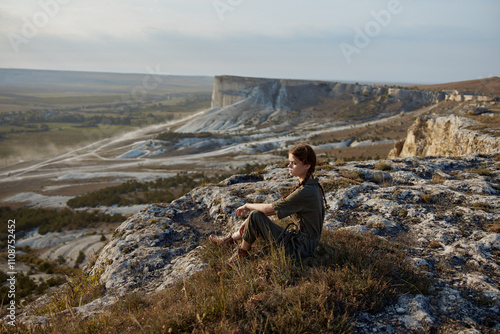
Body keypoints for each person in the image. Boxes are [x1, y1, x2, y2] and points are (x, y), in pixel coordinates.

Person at [209, 144, 327, 262]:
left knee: (256, 216)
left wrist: (247, 205)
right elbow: (274, 208)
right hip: (304, 243)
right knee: (255, 217)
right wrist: (249, 221)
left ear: (307, 165)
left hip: (300, 249)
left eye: (294, 163)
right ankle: (230, 241)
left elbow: (269, 210)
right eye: (289, 162)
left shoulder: (305, 192)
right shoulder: (312, 186)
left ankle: (241, 255)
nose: (289, 165)